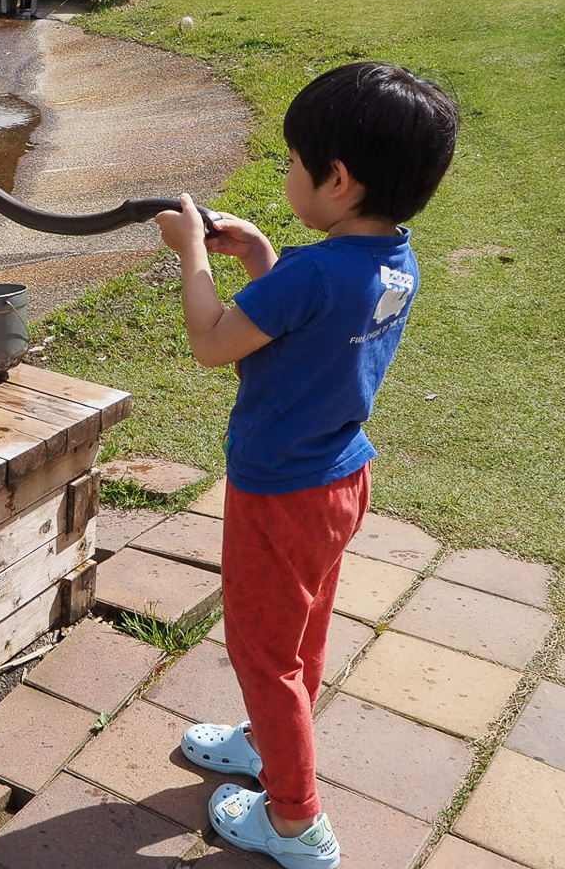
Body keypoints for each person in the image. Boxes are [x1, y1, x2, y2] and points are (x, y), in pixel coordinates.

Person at [154, 63, 460, 869]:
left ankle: (294, 822)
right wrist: (259, 250)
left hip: (278, 492)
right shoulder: (392, 260)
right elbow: (310, 327)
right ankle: (267, 744)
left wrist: (193, 256)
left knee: (264, 655)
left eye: (292, 163)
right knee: (302, 633)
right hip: (338, 482)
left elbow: (214, 343)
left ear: (338, 178)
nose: (285, 174)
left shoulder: (317, 272)